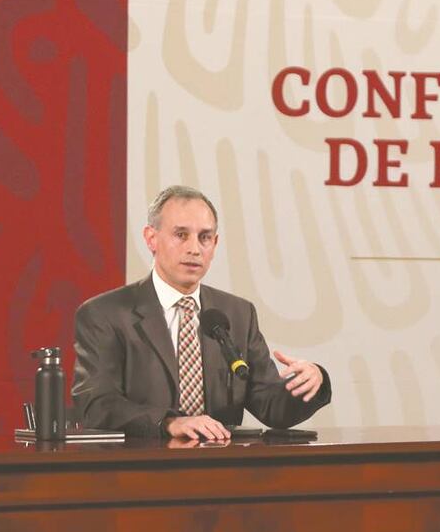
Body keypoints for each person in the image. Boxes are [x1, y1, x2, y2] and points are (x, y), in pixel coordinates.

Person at [72, 185, 330, 439]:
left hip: (219, 472)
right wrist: (169, 422)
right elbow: (96, 405)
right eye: (181, 235)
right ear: (151, 238)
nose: (194, 249)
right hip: (140, 471)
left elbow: (270, 406)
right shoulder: (105, 314)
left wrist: (310, 382)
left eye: (204, 237)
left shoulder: (237, 313)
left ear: (215, 244)